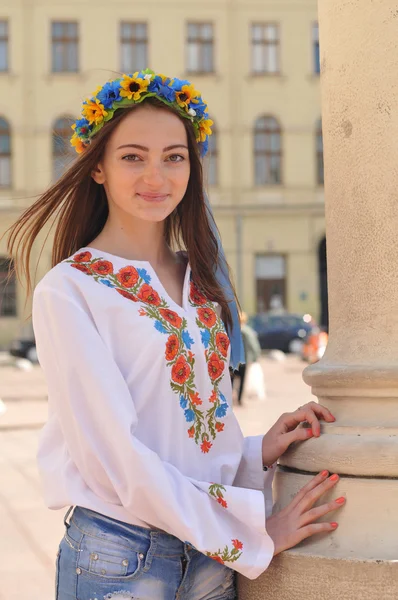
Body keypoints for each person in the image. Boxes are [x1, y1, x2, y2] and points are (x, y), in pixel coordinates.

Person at [5, 69, 345, 600]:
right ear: (97, 167)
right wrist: (249, 541)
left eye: (174, 156)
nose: (156, 176)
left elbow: (187, 429)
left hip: (208, 558)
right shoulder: (69, 291)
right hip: (122, 558)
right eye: (132, 156)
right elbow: (118, 458)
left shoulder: (200, 279)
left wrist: (257, 451)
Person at [235, 311, 262, 405]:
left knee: (231, 379)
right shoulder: (247, 331)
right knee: (242, 380)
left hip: (233, 359)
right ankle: (239, 399)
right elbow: (253, 345)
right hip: (244, 359)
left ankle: (229, 398)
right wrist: (255, 356)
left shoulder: (231, 329)